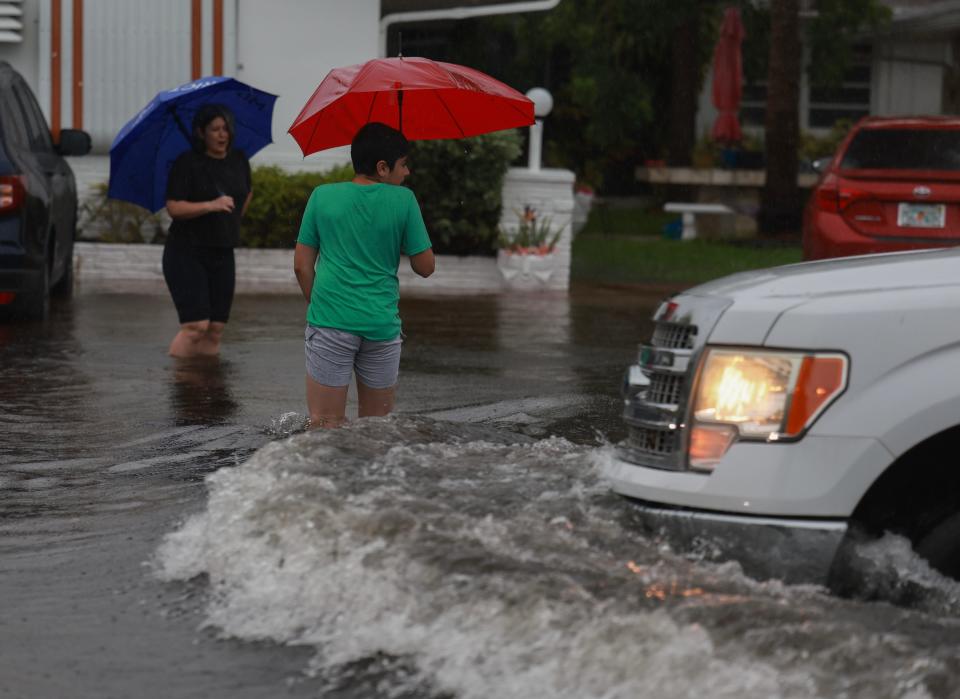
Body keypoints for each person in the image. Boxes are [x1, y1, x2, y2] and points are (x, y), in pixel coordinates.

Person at [293, 122, 435, 428]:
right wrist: (406, 225)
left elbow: (301, 265)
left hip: (330, 320)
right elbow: (425, 267)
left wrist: (319, 306)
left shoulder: (321, 195)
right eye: (404, 165)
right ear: (383, 168)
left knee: (324, 424)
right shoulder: (404, 201)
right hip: (381, 325)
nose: (407, 173)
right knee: (376, 428)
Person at [163, 104, 252, 358]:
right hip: (186, 252)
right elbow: (174, 207)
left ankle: (204, 387)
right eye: (215, 129)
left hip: (223, 251)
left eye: (226, 128)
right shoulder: (187, 163)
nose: (222, 134)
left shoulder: (239, 160)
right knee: (195, 327)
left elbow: (246, 192)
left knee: (215, 329)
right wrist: (211, 205)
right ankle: (180, 383)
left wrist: (232, 219)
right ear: (201, 133)